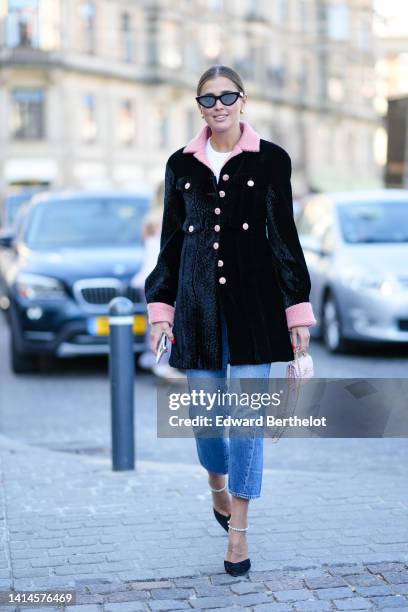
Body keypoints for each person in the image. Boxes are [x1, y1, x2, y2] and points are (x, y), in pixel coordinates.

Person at [144, 65, 317, 576]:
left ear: (244, 100)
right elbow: (171, 244)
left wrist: (296, 311)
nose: (218, 105)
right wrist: (161, 311)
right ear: (198, 106)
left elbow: (284, 237)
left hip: (255, 312)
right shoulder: (180, 165)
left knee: (245, 423)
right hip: (196, 311)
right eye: (208, 98)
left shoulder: (271, 160)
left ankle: (238, 533)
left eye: (227, 96)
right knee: (206, 420)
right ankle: (216, 485)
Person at [130, 182, 185, 380]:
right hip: (164, 278)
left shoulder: (149, 219)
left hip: (145, 277)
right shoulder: (174, 215)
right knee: (166, 321)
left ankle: (153, 358)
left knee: (155, 322)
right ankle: (161, 363)